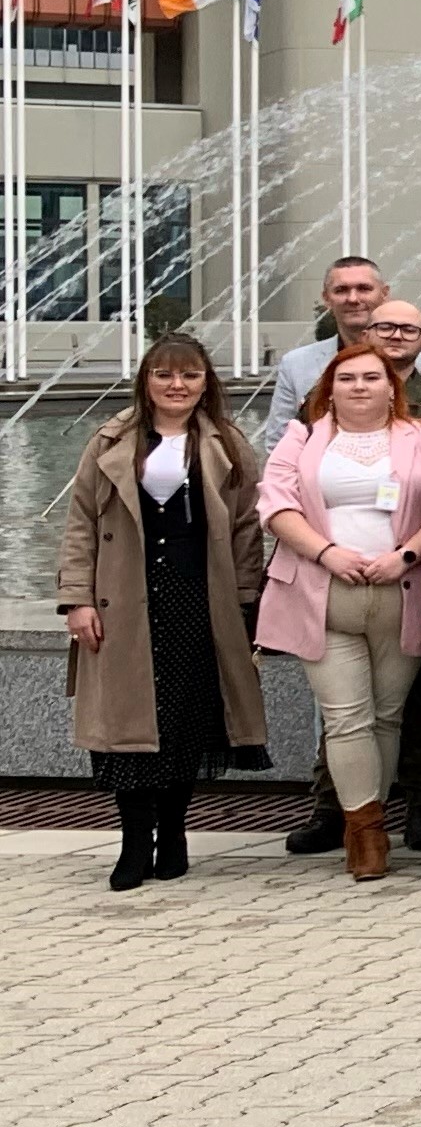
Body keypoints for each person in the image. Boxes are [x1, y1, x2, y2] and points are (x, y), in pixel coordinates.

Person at [63, 336, 267, 892]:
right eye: (164, 375)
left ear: (207, 382)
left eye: (190, 375)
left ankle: (173, 832)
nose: (177, 386)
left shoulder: (227, 441)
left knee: (184, 717)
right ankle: (134, 841)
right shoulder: (111, 437)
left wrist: (247, 599)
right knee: (128, 725)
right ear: (145, 380)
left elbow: (249, 524)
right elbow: (80, 521)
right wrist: (78, 597)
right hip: (123, 596)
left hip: (200, 596)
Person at [256, 343, 421, 881]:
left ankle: (374, 815)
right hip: (323, 592)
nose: (359, 386)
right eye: (347, 378)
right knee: (344, 717)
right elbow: (276, 504)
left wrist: (405, 555)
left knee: (386, 717)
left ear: (392, 387)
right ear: (329, 388)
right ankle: (364, 832)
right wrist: (326, 552)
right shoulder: (302, 437)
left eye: (371, 378)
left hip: (401, 590)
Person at [265, 255, 393, 436]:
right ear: (326, 298)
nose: (353, 298)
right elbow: (278, 438)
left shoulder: (420, 361)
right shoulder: (296, 364)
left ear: (384, 294)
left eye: (364, 288)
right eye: (341, 290)